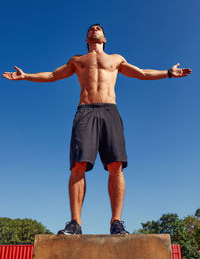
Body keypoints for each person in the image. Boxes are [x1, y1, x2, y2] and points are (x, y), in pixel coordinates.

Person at [2, 24, 192, 235]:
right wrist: (25, 75)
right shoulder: (77, 60)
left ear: (105, 38)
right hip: (85, 111)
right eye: (91, 29)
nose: (95, 29)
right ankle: (75, 223)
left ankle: (116, 222)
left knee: (116, 165)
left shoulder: (116, 59)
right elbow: (52, 76)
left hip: (110, 111)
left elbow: (142, 74)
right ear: (86, 39)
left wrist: (168, 73)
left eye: (98, 28)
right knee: (78, 165)